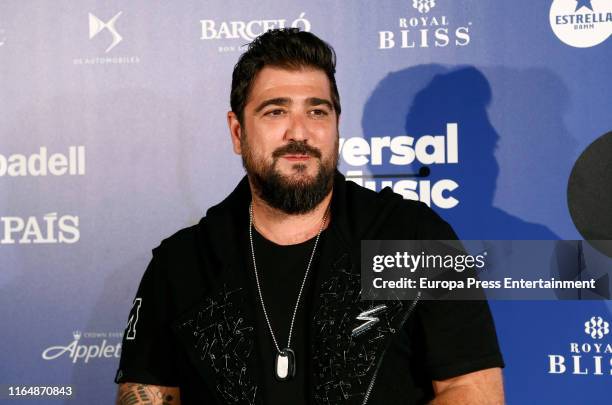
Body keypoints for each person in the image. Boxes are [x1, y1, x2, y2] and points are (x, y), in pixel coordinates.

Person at [114, 28, 504, 404]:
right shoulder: (182, 264)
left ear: (336, 126)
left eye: (317, 111)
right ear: (237, 133)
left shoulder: (411, 238)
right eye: (275, 111)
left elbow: (474, 392)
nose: (298, 132)